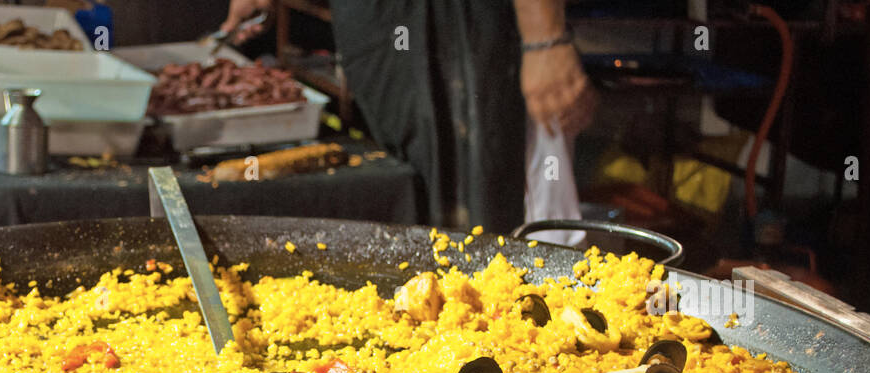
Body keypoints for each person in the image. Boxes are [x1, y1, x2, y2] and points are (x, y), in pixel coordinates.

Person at [220, 0, 596, 232]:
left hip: (462, 29)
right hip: (379, 27)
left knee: (480, 214)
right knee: (405, 187)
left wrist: (545, 37)